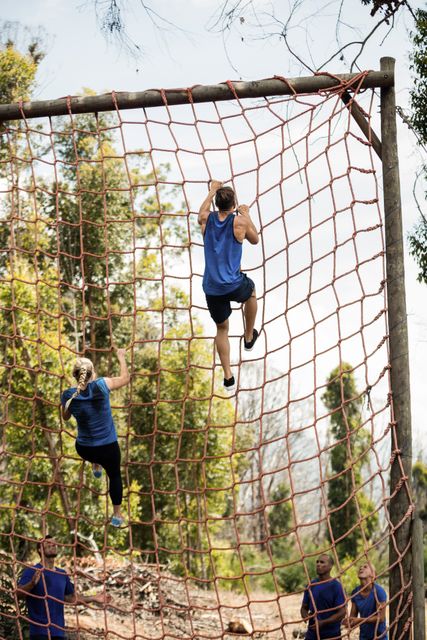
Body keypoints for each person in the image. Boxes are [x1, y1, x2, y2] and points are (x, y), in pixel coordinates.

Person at [198, 180, 259, 393]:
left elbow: (201, 213)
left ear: (216, 203)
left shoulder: (207, 220)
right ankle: (249, 336)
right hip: (233, 284)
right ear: (233, 205)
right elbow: (255, 239)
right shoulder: (239, 222)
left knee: (222, 329)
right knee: (251, 294)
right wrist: (246, 213)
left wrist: (212, 190)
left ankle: (227, 376)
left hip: (212, 287)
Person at [61, 348, 130, 527]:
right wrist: (121, 357)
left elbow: (66, 417)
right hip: (108, 449)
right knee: (114, 476)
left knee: (93, 451)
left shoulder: (68, 395)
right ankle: (117, 514)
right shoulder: (102, 385)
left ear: (75, 375)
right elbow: (125, 379)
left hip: (84, 449)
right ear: (93, 373)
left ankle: (95, 464)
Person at [17, 535, 110, 640]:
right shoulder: (32, 571)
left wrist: (93, 598)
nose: (53, 545)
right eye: (48, 543)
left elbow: (70, 598)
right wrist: (32, 584)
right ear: (40, 549)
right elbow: (18, 594)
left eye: (54, 543)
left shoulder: (62, 574)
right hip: (40, 632)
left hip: (59, 632)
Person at [300, 554, 346, 639]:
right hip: (312, 633)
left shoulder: (337, 586)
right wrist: (305, 615)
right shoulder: (311, 585)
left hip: (331, 634)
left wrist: (323, 622)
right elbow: (304, 607)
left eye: (322, 562)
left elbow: (342, 613)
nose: (318, 564)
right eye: (317, 562)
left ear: (330, 566)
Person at [344, 562, 388, 639]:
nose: (361, 568)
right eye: (360, 567)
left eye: (365, 567)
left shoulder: (378, 591)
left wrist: (359, 620)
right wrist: (348, 622)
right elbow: (353, 617)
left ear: (373, 575)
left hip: (379, 636)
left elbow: (381, 618)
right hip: (364, 636)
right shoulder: (355, 592)